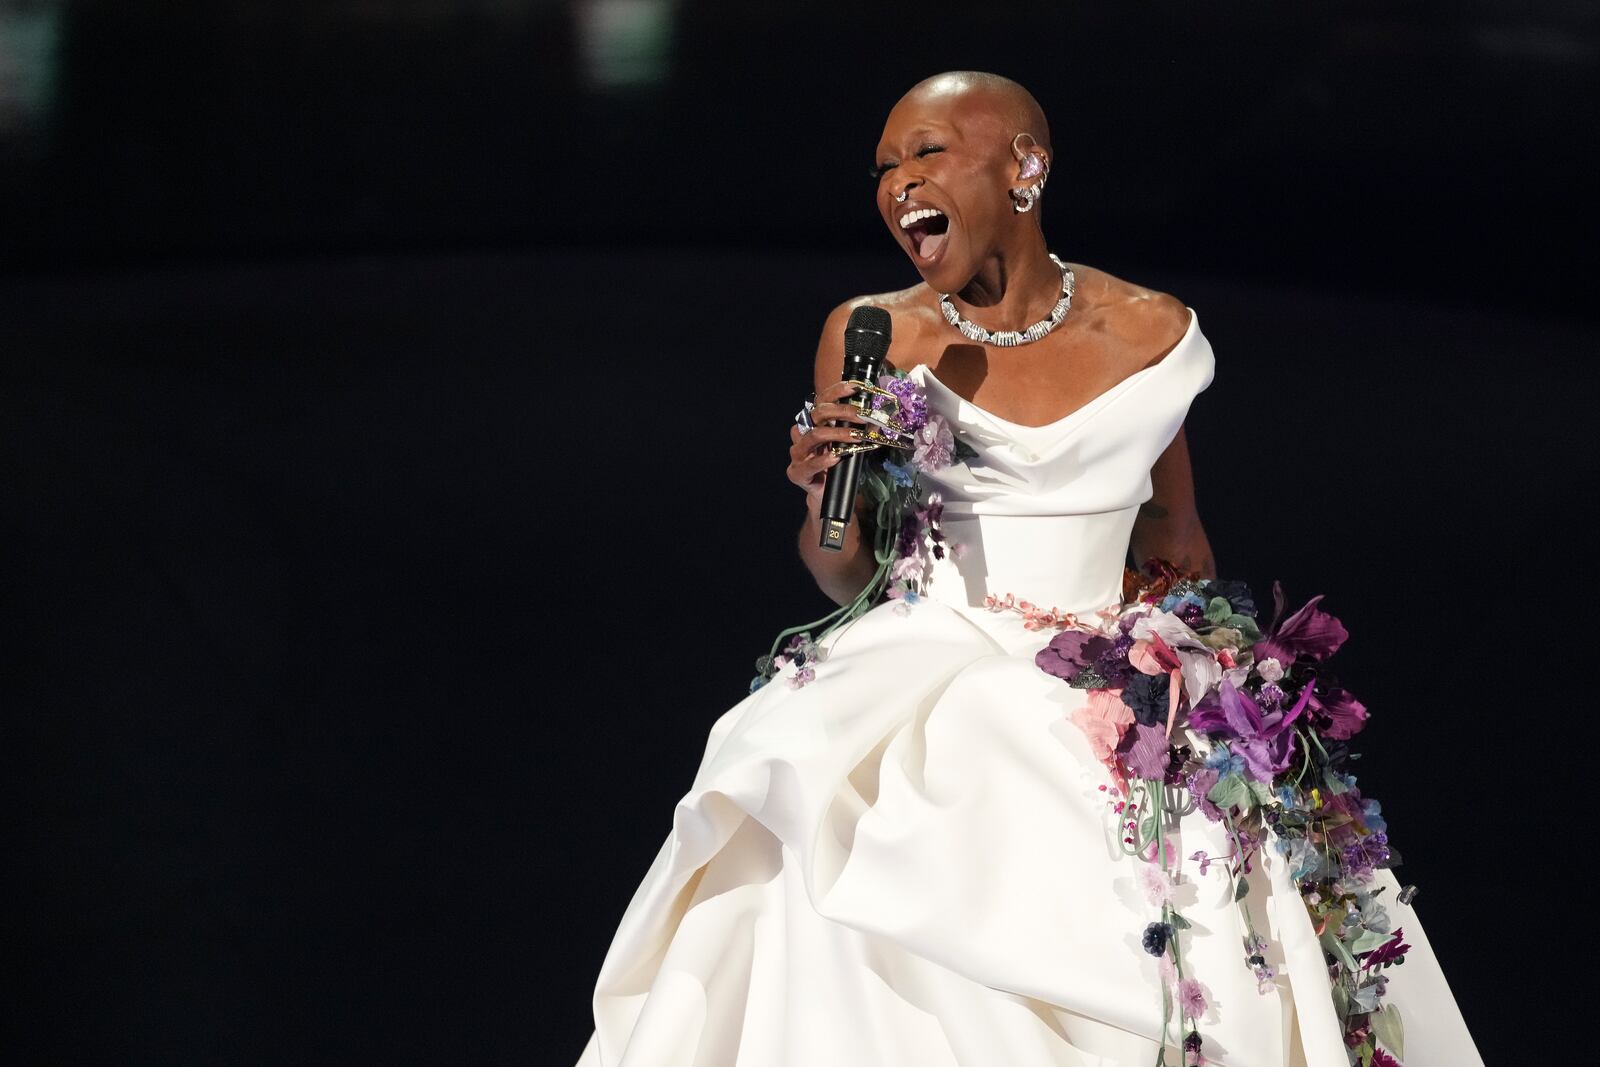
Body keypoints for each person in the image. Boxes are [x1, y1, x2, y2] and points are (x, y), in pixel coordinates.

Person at [575, 72, 1481, 1067]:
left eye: (924, 152)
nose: (896, 184)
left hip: (1102, 679)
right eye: (882, 168)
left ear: (1025, 166)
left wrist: (1209, 695)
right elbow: (841, 574)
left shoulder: (1151, 331)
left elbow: (1176, 539)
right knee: (829, 840)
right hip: (915, 675)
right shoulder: (873, 333)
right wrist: (822, 490)